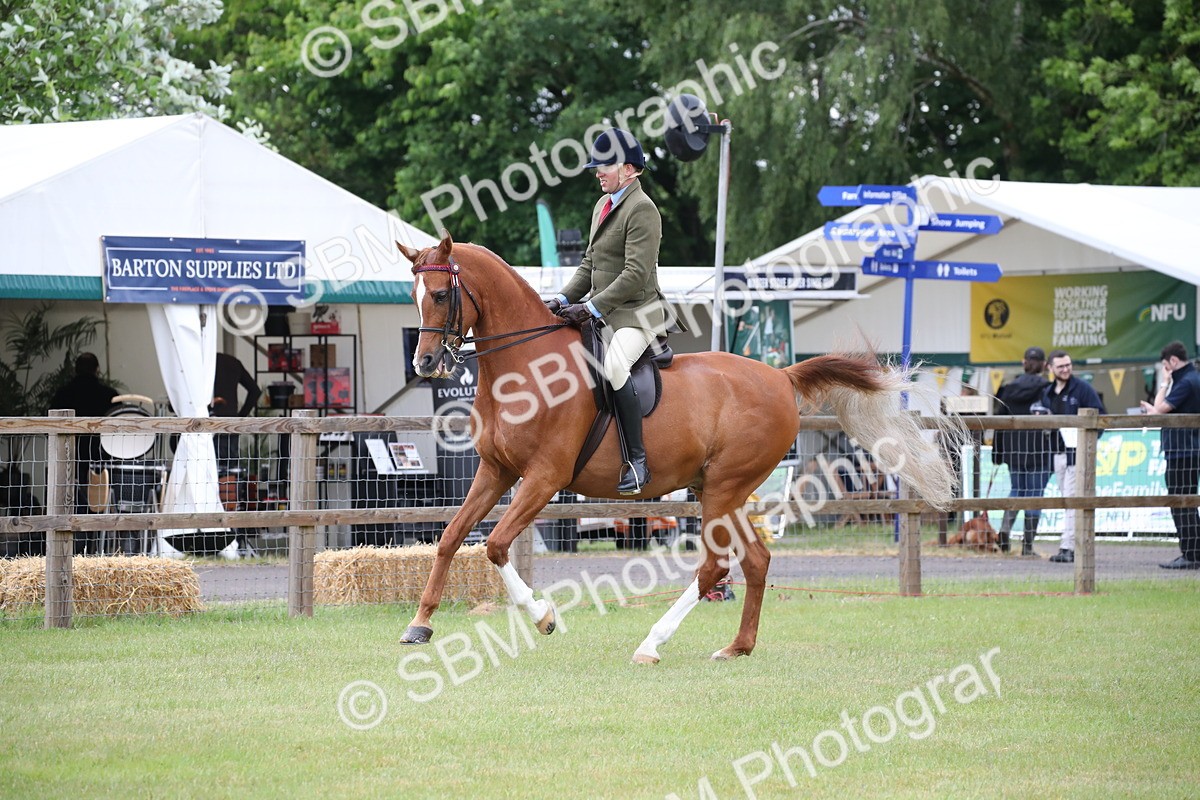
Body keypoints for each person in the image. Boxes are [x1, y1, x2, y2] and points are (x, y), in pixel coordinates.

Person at [546, 128, 678, 495]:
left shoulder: (643, 209)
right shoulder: (602, 206)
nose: (598, 173)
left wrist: (589, 307)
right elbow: (589, 265)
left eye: (604, 166)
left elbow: (635, 275)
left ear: (629, 169)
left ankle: (637, 462)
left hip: (639, 313)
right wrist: (560, 300)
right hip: (606, 313)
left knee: (615, 366)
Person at [1041, 349, 1106, 563]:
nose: (1065, 369)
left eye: (1068, 365)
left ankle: (1068, 547)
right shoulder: (1047, 392)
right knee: (1066, 499)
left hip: (1077, 453)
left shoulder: (1083, 389)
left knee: (1072, 500)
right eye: (1060, 366)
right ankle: (1073, 545)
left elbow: (1101, 417)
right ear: (1050, 368)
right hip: (1056, 452)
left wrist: (1086, 444)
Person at [1140, 340, 1200, 569]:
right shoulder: (1192, 378)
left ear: (1173, 361)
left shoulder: (1185, 382)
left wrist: (1164, 383)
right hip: (1188, 449)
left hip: (1182, 451)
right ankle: (1194, 552)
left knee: (1180, 502)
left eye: (1166, 366)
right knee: (1187, 502)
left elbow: (1158, 411)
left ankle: (1191, 554)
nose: (1166, 370)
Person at [49, 352, 119, 551]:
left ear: (75, 370)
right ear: (97, 370)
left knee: (73, 498)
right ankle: (98, 544)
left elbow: (50, 428)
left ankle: (75, 545)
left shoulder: (63, 394)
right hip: (102, 458)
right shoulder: (110, 394)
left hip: (70, 456)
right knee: (101, 499)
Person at [991, 346, 1053, 556]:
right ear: (1045, 365)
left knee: (1017, 490)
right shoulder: (1048, 389)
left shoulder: (1008, 389)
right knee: (1035, 495)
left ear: (1023, 363)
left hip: (1014, 450)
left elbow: (999, 422)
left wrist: (997, 453)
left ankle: (1004, 531)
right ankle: (1027, 546)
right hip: (1040, 449)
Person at [210, 352, 262, 467]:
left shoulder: (202, 363)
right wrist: (240, 417)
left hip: (207, 423)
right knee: (230, 469)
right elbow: (255, 391)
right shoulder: (233, 362)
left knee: (204, 469)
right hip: (231, 424)